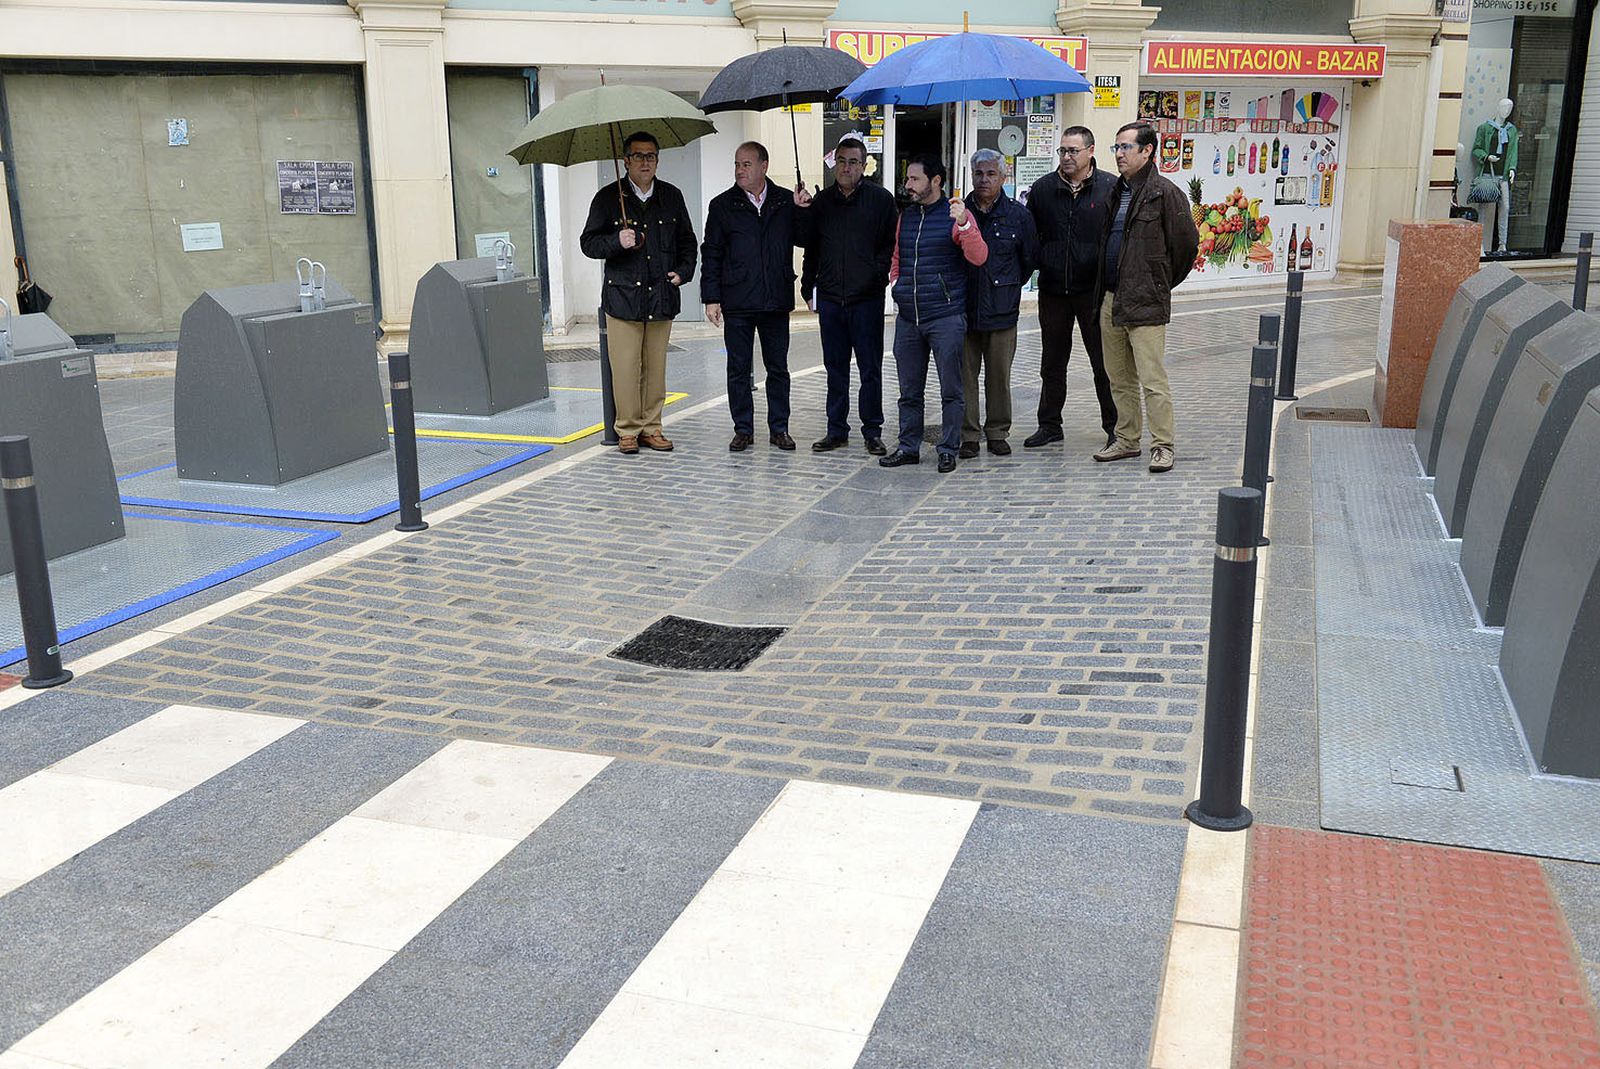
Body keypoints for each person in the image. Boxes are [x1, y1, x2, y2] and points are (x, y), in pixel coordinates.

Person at [579, 131, 697, 455]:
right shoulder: (608, 198)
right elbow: (588, 243)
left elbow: (688, 241)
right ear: (626, 160)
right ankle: (628, 430)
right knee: (627, 368)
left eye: (651, 156)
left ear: (657, 160)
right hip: (623, 299)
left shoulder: (672, 196)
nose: (645, 162)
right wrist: (617, 241)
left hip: (661, 294)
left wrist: (683, 273)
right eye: (638, 156)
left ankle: (652, 427)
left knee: (655, 368)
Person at [1094, 122, 1199, 474]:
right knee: (1118, 377)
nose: (1120, 154)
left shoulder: (1165, 194)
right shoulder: (1114, 191)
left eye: (1126, 147)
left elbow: (1185, 248)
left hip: (1146, 301)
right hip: (1110, 298)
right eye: (1117, 148)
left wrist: (1157, 284)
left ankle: (1163, 445)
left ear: (1147, 151)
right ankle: (1126, 439)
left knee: (1152, 379)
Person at [881, 154, 988, 474]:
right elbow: (898, 255)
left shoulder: (956, 214)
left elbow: (979, 256)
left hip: (945, 316)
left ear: (936, 181)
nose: (908, 185)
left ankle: (948, 448)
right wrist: (896, 283)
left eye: (914, 179)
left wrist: (964, 223)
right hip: (909, 317)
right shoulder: (907, 215)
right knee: (908, 390)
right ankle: (908, 446)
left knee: (951, 389)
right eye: (908, 179)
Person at [701, 141, 810, 452]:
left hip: (775, 298)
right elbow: (712, 253)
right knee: (738, 367)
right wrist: (712, 297)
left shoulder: (786, 201)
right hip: (737, 300)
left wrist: (804, 210)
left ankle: (779, 429)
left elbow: (804, 239)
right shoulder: (722, 206)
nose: (739, 170)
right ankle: (743, 429)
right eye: (737, 164)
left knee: (778, 368)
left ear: (764, 166)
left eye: (746, 164)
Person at [799, 138, 898, 456]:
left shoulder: (881, 200)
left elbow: (889, 246)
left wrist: (877, 275)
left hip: (866, 299)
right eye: (841, 160)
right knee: (835, 368)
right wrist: (808, 286)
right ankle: (836, 430)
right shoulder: (822, 202)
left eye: (853, 161)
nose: (846, 167)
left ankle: (872, 431)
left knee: (870, 369)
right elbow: (809, 246)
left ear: (864, 165)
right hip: (830, 298)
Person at [1026, 125, 1119, 450]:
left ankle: (1115, 428)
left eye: (1072, 151)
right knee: (1052, 362)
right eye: (1062, 151)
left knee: (1103, 363)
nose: (1066, 157)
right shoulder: (1043, 189)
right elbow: (1029, 235)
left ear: (1090, 151)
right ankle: (1049, 425)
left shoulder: (1110, 187)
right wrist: (1039, 262)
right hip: (1053, 289)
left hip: (1093, 291)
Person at [959, 149, 1039, 459]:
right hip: (964, 309)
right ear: (971, 176)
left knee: (998, 377)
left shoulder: (1018, 215)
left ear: (1003, 178)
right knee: (965, 377)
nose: (984, 180)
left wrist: (1006, 285)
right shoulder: (959, 211)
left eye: (991, 174)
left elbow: (1029, 259)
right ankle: (968, 434)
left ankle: (997, 432)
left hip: (1002, 310)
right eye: (979, 173)